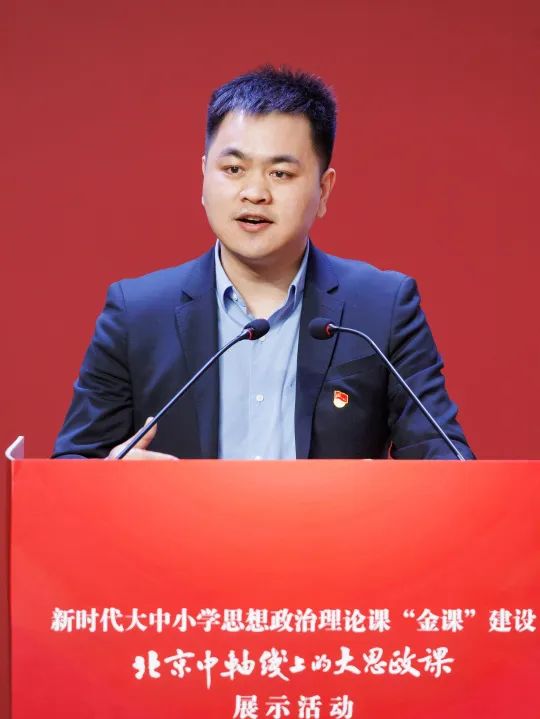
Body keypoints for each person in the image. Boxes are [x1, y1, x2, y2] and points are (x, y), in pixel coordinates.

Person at [53, 66, 474, 461]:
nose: (254, 192)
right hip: (175, 521)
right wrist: (112, 479)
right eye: (233, 169)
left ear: (324, 190)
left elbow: (447, 461)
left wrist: (379, 493)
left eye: (280, 174)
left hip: (331, 521)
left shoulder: (382, 308)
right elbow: (71, 466)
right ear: (204, 176)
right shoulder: (137, 314)